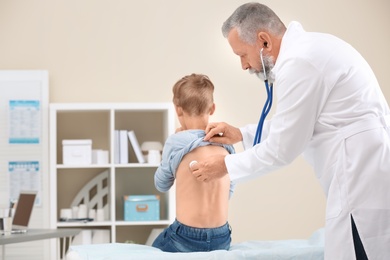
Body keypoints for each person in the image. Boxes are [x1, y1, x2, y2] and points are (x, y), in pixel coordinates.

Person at [189, 2, 390, 260]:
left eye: (242, 55)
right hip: (362, 168)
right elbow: (300, 121)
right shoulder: (309, 51)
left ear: (263, 41)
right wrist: (242, 134)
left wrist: (225, 166)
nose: (244, 65)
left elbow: (282, 149)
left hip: (361, 178)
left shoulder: (300, 63)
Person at [152, 73, 235, 252]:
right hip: (222, 237)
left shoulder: (177, 142)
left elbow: (161, 184)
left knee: (154, 250)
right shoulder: (226, 144)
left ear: (178, 110)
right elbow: (229, 191)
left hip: (185, 236)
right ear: (212, 108)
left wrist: (172, 145)